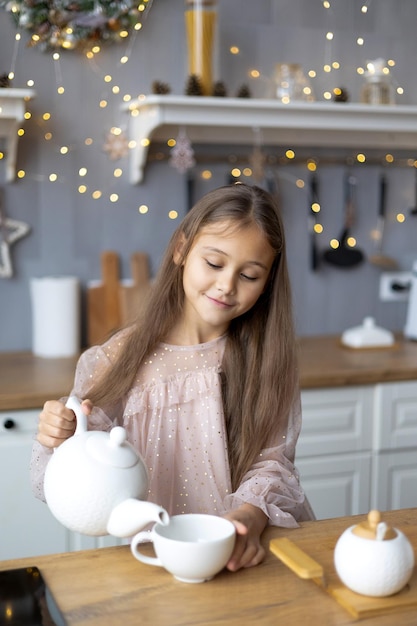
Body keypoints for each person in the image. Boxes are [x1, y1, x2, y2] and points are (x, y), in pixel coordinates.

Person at [31, 182, 314, 572]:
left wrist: (250, 516)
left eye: (249, 275)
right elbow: (78, 471)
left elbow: (273, 464)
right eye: (214, 264)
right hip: (153, 560)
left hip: (246, 553)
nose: (226, 285)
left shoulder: (268, 361)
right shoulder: (117, 359)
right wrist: (60, 435)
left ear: (267, 283)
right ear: (182, 249)